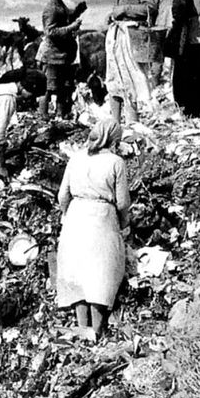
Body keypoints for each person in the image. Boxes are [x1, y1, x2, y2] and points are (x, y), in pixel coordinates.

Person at [56, 118, 130, 340]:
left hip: (76, 215)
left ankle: (82, 328)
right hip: (102, 217)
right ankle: (97, 330)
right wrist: (124, 223)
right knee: (100, 274)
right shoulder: (116, 162)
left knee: (78, 272)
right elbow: (123, 202)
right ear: (113, 139)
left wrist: (67, 214)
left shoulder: (76, 158)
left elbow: (62, 195)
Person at [105, 0, 157, 122]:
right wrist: (113, 14)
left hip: (129, 35)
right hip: (118, 34)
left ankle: (132, 123)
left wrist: (125, 10)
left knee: (129, 78)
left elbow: (150, 8)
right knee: (114, 77)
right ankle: (115, 122)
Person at [0, 68, 46, 179]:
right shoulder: (8, 98)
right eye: (32, 95)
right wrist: (2, 167)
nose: (32, 98)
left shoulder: (5, 80)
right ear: (24, 87)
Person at [39, 0, 86, 120]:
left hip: (62, 55)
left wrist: (76, 13)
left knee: (63, 87)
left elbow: (64, 20)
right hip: (52, 56)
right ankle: (43, 115)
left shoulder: (60, 5)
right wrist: (72, 27)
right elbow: (50, 31)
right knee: (47, 87)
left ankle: (60, 114)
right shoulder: (51, 8)